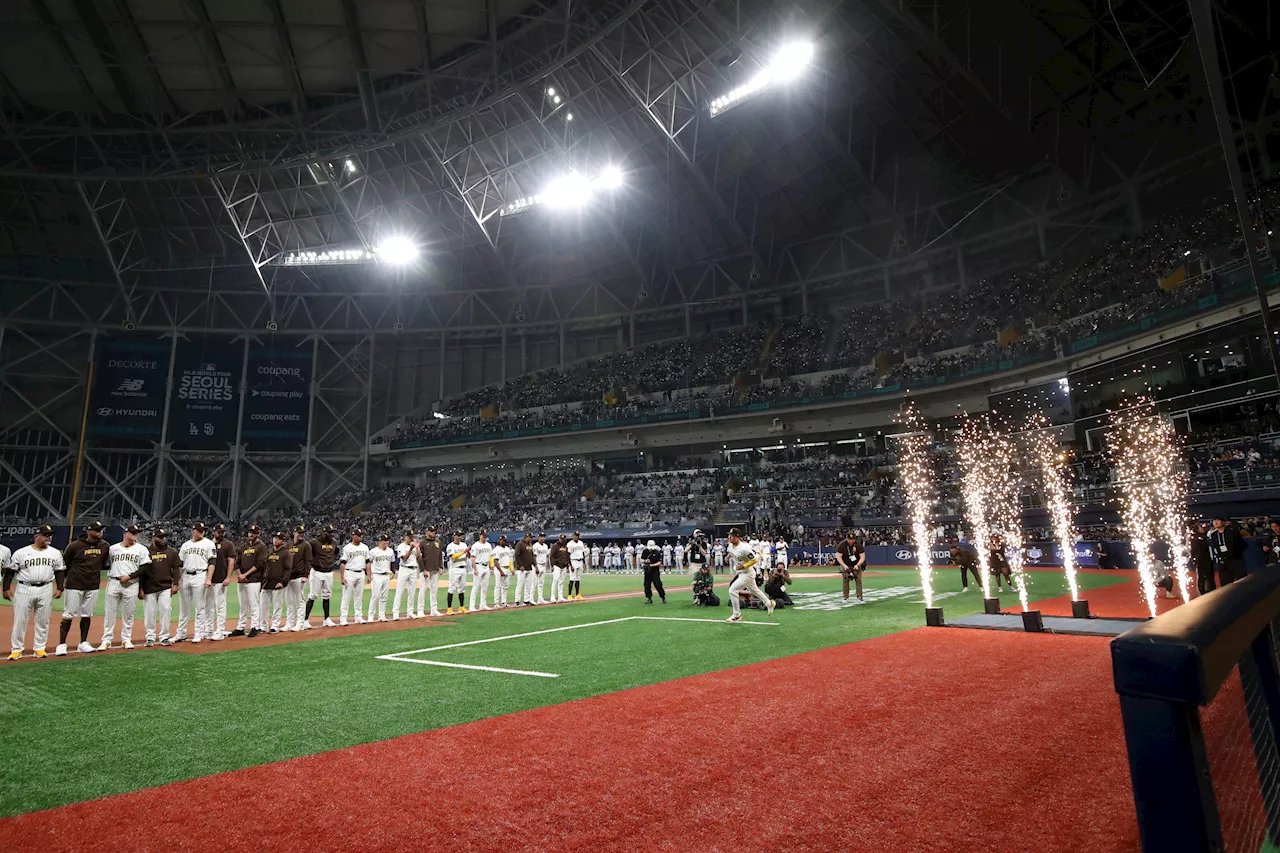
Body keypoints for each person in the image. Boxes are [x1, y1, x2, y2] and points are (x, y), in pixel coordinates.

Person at [4, 525, 65, 660]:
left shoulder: (55, 553)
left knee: (43, 621)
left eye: (50, 535)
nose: (49, 537)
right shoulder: (21, 553)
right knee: (20, 620)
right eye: (46, 535)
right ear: (37, 537)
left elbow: (59, 571)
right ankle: (16, 649)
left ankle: (39, 648)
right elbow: (10, 572)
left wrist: (60, 588)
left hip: (46, 588)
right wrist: (6, 589)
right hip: (24, 588)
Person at [59, 521, 108, 656]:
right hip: (75, 584)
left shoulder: (104, 546)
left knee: (87, 614)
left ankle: (83, 642)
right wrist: (63, 582)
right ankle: (62, 644)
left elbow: (104, 564)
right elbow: (66, 564)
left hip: (93, 585)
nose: (100, 532)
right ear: (88, 531)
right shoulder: (74, 546)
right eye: (97, 530)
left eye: (101, 530)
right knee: (69, 614)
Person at [99, 524, 150, 650]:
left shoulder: (142, 549)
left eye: (136, 533)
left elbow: (145, 567)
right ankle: (106, 640)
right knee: (109, 613)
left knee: (128, 613)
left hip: (132, 584)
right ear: (125, 534)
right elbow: (106, 564)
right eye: (132, 533)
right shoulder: (113, 549)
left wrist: (131, 576)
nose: (134, 535)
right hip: (114, 582)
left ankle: (126, 639)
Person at [176, 523, 217, 644]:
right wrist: (178, 579)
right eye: (199, 530)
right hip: (186, 576)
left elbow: (212, 562)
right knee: (183, 607)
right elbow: (180, 564)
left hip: (200, 574)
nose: (201, 532)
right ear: (193, 531)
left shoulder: (209, 543)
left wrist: (209, 578)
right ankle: (180, 633)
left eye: (203, 530)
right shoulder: (185, 545)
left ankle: (198, 633)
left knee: (200, 607)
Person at [725, 528, 774, 623]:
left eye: (732, 536)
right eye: (729, 535)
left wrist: (743, 565)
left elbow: (755, 559)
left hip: (747, 573)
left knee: (732, 590)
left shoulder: (745, 548)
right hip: (741, 573)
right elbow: (732, 552)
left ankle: (736, 615)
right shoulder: (731, 545)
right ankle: (769, 603)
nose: (729, 538)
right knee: (755, 590)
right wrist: (728, 557)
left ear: (737, 537)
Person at [140, 528, 179, 646]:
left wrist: (176, 584)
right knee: (149, 613)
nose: (163, 539)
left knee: (166, 610)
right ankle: (150, 637)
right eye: (160, 537)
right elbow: (141, 570)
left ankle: (164, 637)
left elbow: (177, 568)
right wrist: (140, 588)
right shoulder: (146, 552)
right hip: (149, 587)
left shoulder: (171, 552)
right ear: (153, 538)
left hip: (166, 586)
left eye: (164, 537)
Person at [233, 525, 268, 637]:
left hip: (254, 579)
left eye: (253, 532)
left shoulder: (261, 547)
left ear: (258, 534)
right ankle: (240, 627)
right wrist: (240, 575)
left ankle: (255, 627)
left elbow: (260, 564)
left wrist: (245, 574)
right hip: (242, 581)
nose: (251, 534)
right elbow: (237, 562)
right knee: (243, 605)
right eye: (250, 532)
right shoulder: (243, 546)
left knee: (254, 604)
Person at [206, 523, 236, 640]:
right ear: (213, 532)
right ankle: (208, 629)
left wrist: (228, 577)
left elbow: (231, 561)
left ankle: (220, 629)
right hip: (208, 579)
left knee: (220, 606)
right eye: (219, 531)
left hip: (220, 579)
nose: (221, 533)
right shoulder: (208, 544)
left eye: (223, 532)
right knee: (207, 606)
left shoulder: (228, 544)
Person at [305, 525, 339, 627]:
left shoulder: (333, 542)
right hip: (317, 572)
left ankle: (327, 619)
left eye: (332, 533)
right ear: (324, 532)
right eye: (329, 532)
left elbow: (336, 552)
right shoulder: (314, 542)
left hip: (329, 572)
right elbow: (306, 551)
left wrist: (332, 561)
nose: (331, 535)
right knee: (313, 595)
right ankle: (305, 619)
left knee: (327, 595)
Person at [259, 532, 292, 633]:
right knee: (263, 606)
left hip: (278, 583)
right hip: (266, 582)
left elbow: (288, 569)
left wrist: (283, 582)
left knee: (277, 605)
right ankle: (263, 626)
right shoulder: (269, 552)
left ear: (282, 541)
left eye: (278, 538)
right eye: (274, 538)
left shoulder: (286, 553)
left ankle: (275, 625)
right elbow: (263, 567)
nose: (275, 540)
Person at [338, 529, 371, 626]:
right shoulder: (347, 548)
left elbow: (368, 562)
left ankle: (358, 617)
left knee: (359, 597)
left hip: (361, 572)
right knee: (346, 597)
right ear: (353, 536)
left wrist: (369, 575)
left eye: (361, 535)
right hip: (350, 572)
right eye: (358, 535)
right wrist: (342, 577)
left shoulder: (365, 547)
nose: (360, 537)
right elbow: (342, 563)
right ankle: (343, 618)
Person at [285, 526, 312, 631]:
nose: (301, 534)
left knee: (299, 601)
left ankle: (300, 623)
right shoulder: (288, 545)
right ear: (294, 533)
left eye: (302, 533)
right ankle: (289, 622)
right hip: (289, 577)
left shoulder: (306, 545)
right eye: (299, 532)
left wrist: (306, 575)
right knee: (289, 601)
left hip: (299, 576)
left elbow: (308, 561)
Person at [366, 534, 395, 621]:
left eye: (387, 540)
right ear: (380, 541)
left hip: (386, 575)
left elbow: (393, 562)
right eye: (384, 540)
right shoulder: (373, 551)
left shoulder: (390, 551)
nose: (386, 542)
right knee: (375, 596)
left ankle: (381, 615)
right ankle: (370, 615)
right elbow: (367, 563)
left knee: (384, 596)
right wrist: (368, 575)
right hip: (376, 575)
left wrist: (393, 571)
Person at [392, 531, 420, 621]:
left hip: (414, 569)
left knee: (412, 592)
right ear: (405, 537)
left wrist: (417, 548)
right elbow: (404, 559)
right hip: (404, 568)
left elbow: (419, 558)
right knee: (400, 591)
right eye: (409, 536)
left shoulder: (414, 546)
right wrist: (411, 549)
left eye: (412, 536)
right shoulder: (401, 546)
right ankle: (396, 613)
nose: (411, 538)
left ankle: (410, 612)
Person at [1209, 516, 1244, 584]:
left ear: (1223, 522)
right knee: (1225, 583)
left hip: (1235, 560)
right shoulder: (1213, 535)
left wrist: (1236, 555)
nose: (1215, 522)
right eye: (1214, 521)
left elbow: (1242, 544)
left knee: (1240, 582)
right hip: (1223, 562)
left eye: (1218, 520)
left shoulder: (1232, 532)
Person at [418, 526, 443, 617]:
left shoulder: (437, 542)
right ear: (427, 532)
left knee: (434, 590)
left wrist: (441, 567)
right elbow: (419, 557)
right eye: (431, 531)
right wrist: (423, 569)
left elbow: (440, 555)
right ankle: (420, 610)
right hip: (426, 570)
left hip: (435, 569)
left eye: (434, 531)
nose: (433, 533)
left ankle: (434, 609)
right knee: (423, 589)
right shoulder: (422, 543)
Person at [835, 531, 866, 602]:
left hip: (856, 564)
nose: (851, 541)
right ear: (847, 539)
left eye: (853, 539)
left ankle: (859, 597)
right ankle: (845, 597)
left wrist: (858, 564)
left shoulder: (858, 545)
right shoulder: (842, 545)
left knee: (858, 580)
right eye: (850, 539)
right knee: (846, 580)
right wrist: (844, 565)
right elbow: (839, 556)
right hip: (845, 563)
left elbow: (862, 556)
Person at [445, 530, 470, 614]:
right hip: (454, 568)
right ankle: (449, 609)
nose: (460, 537)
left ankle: (462, 607)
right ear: (454, 536)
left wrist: (468, 552)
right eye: (458, 535)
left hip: (463, 567)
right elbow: (453, 557)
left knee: (462, 589)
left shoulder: (464, 544)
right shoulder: (450, 546)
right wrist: (464, 552)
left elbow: (467, 556)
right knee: (452, 588)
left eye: (460, 536)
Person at [469, 529, 494, 611]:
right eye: (483, 535)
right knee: (475, 586)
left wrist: (491, 567)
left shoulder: (489, 545)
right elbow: (473, 558)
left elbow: (491, 557)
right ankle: (472, 605)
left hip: (486, 566)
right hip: (478, 565)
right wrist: (475, 569)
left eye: (486, 535)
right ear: (480, 535)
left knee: (485, 586)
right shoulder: (475, 545)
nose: (484, 537)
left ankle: (483, 604)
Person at [1189, 522, 1216, 595]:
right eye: (1200, 527)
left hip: (1205, 561)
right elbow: (1195, 552)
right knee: (1204, 579)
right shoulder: (1196, 540)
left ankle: (1207, 592)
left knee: (1206, 578)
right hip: (1203, 562)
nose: (1202, 528)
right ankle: (1204, 593)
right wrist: (1197, 562)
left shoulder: (1202, 538)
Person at [640, 539, 666, 605]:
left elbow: (659, 562)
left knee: (658, 584)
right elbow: (641, 559)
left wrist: (651, 565)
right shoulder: (645, 551)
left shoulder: (657, 552)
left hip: (655, 571)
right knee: (647, 585)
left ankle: (663, 597)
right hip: (647, 571)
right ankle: (649, 598)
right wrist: (645, 561)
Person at [493, 534, 513, 608]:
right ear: (500, 540)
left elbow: (509, 560)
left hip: (507, 568)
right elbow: (495, 561)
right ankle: (496, 603)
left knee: (505, 586)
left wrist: (511, 569)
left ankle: (504, 602)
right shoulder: (496, 549)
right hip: (499, 568)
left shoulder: (507, 548)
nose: (504, 542)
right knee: (498, 586)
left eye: (505, 540)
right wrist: (501, 571)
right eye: (503, 540)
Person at [514, 533, 535, 606]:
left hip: (529, 567)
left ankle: (526, 600)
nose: (531, 539)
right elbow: (516, 555)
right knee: (520, 584)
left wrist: (535, 565)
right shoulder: (520, 544)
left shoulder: (530, 545)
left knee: (528, 585)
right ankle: (517, 601)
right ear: (526, 537)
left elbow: (532, 556)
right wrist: (520, 565)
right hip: (522, 569)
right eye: (530, 537)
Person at [549, 534, 571, 603]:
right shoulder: (555, 546)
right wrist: (552, 565)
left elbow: (567, 556)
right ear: (559, 539)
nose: (562, 540)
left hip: (564, 566)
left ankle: (560, 597)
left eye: (563, 539)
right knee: (555, 580)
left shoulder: (565, 547)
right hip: (557, 565)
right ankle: (552, 597)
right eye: (561, 539)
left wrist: (567, 566)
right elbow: (551, 556)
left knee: (561, 582)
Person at [567, 531, 587, 600]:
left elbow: (583, 553)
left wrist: (584, 563)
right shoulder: (570, 544)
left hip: (580, 560)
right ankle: (569, 595)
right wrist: (570, 565)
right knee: (572, 578)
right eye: (575, 535)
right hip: (573, 561)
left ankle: (577, 594)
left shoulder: (581, 543)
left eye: (578, 535)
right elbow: (568, 555)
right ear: (573, 536)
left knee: (578, 578)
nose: (577, 536)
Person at [532, 532, 550, 604]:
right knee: (534, 583)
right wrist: (536, 567)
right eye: (541, 536)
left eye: (543, 536)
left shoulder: (545, 546)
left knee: (541, 583)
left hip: (543, 565)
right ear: (538, 537)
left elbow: (546, 556)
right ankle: (531, 599)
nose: (543, 538)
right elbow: (534, 557)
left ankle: (540, 599)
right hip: (537, 565)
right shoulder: (535, 546)